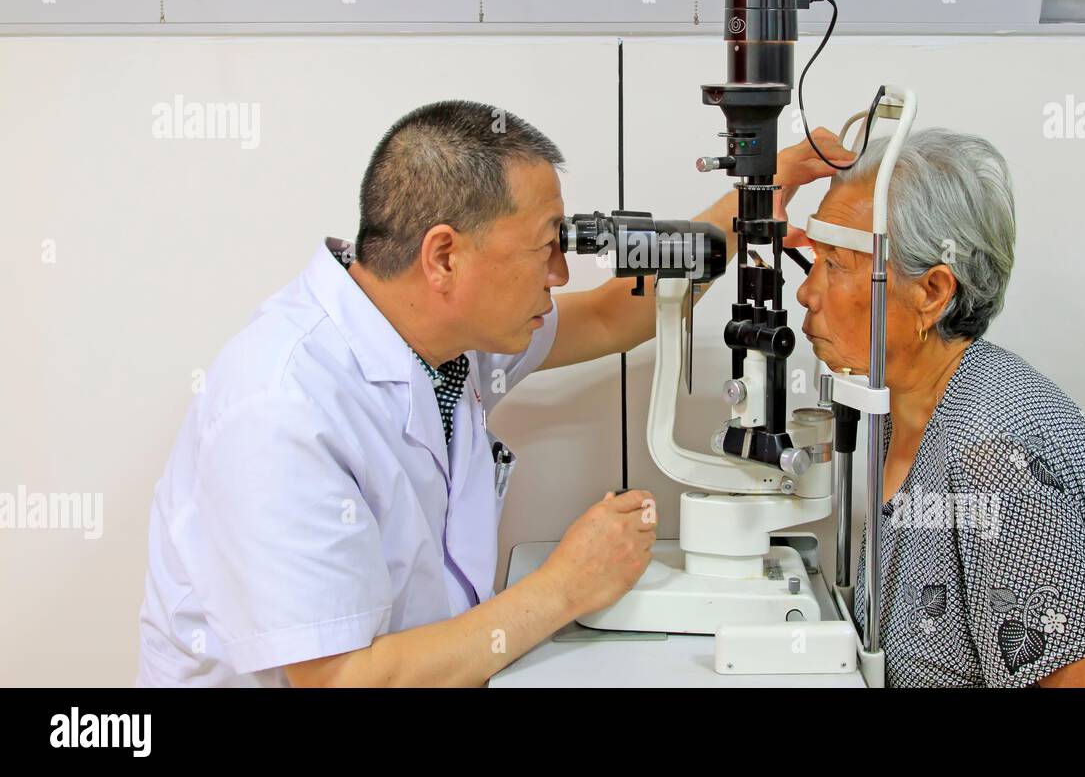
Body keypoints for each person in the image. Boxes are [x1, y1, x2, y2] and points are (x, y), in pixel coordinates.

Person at [137, 99, 843, 686]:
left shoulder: (448, 338)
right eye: (546, 248)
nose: (561, 274)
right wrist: (567, 586)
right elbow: (342, 679)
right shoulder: (281, 407)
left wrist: (765, 186)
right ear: (444, 256)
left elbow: (611, 314)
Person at [792, 126, 1085, 687]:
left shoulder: (990, 453)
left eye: (836, 265)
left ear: (933, 293)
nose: (806, 292)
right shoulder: (909, 404)